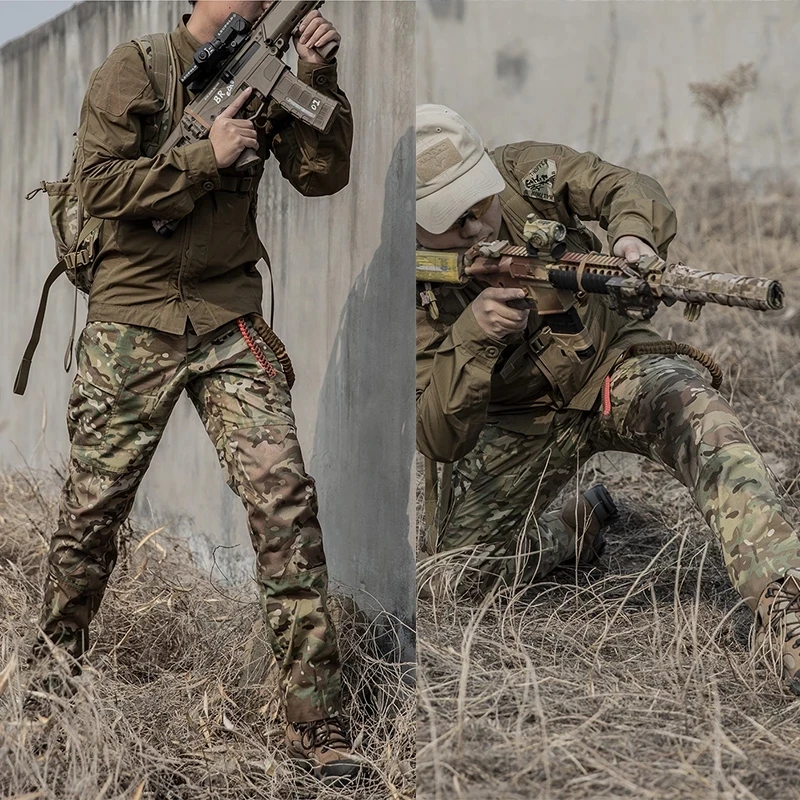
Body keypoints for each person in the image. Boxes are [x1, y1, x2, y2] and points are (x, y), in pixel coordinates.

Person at [28, 0, 362, 779]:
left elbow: (322, 176)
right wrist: (204, 156)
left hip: (227, 316)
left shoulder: (275, 69)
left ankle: (319, 722)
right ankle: (45, 700)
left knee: (286, 505)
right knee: (91, 517)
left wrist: (318, 76)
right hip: (132, 320)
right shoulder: (136, 67)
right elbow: (100, 188)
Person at [415, 103, 800, 694]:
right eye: (453, 221)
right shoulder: (406, 287)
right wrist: (475, 336)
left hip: (616, 364)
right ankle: (573, 528)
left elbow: (624, 185)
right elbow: (440, 435)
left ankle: (785, 607)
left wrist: (632, 237)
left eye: (480, 205)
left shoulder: (524, 173)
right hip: (523, 420)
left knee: (707, 423)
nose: (478, 228)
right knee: (453, 579)